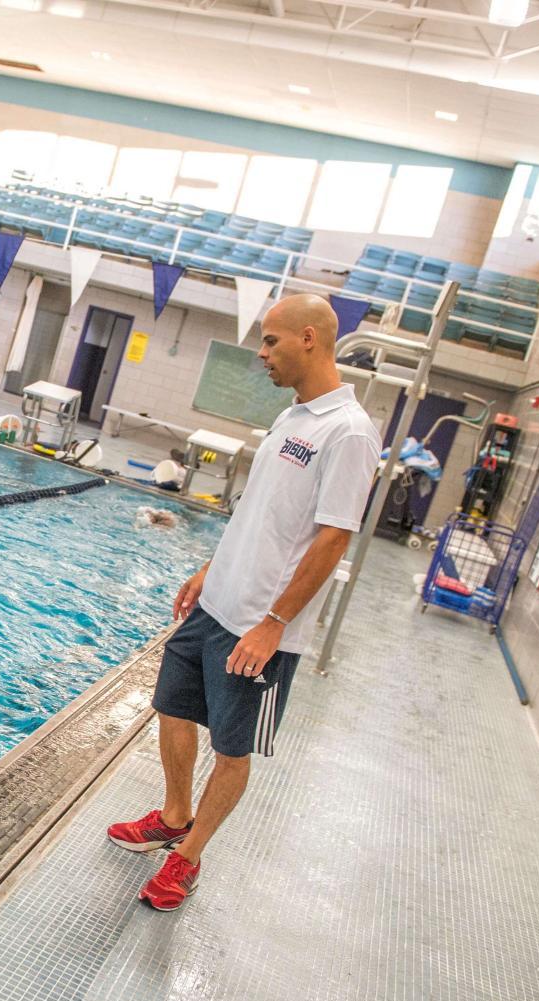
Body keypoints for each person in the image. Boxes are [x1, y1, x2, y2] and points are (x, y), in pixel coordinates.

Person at [107, 293, 378, 912]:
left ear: (309, 338)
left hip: (260, 626)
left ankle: (188, 857)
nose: (261, 354)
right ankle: (175, 815)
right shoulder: (292, 417)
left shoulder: (349, 433)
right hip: (216, 606)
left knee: (231, 747)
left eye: (271, 341)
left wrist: (274, 624)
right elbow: (259, 511)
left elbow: (334, 538)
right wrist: (210, 568)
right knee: (171, 708)